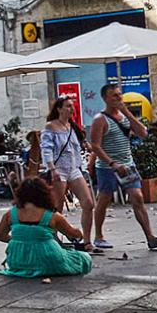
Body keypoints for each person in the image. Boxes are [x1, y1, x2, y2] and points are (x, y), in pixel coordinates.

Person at [88, 83, 157, 250]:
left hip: (128, 164)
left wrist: (126, 112)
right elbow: (95, 146)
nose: (119, 98)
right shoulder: (100, 119)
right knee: (104, 200)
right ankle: (98, 235)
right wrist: (112, 163)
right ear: (105, 98)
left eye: (120, 95)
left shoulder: (124, 116)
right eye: (114, 96)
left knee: (138, 197)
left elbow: (142, 132)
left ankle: (150, 237)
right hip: (107, 167)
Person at [0, 177, 93, 278]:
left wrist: (22, 240)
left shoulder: (10, 214)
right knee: (84, 258)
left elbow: (0, 236)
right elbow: (74, 234)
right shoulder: (52, 216)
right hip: (48, 260)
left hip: (17, 261)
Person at [41, 97, 98, 252]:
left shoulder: (72, 127)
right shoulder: (51, 127)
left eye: (72, 106)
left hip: (74, 169)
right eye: (68, 106)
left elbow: (79, 147)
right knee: (57, 208)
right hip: (59, 169)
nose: (71, 109)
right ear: (59, 109)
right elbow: (46, 150)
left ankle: (87, 240)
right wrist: (52, 169)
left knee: (88, 203)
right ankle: (54, 239)